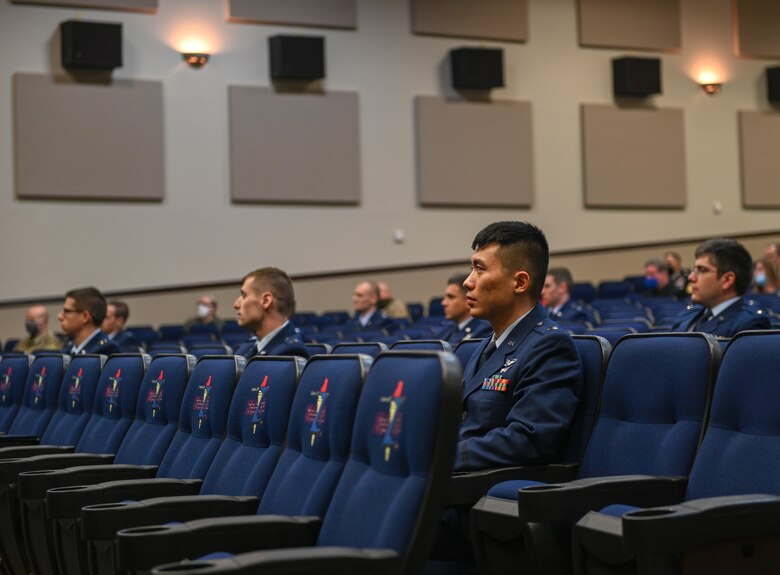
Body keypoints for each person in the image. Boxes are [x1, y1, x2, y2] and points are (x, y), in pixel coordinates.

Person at [456, 221, 583, 471]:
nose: (468, 282)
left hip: (484, 489)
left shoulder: (550, 346)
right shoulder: (485, 346)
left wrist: (439, 458)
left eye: (479, 269)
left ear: (520, 283)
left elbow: (528, 440)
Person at [671, 238, 770, 337]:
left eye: (701, 270)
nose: (691, 277)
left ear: (727, 280)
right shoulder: (687, 316)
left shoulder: (749, 325)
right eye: (693, 270)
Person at [232, 268, 309, 360]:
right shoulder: (244, 350)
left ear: (266, 301)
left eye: (244, 295)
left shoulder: (290, 353)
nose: (236, 304)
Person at [59, 287, 122, 355]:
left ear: (85, 316)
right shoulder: (69, 347)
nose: (59, 317)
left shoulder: (106, 349)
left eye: (67, 311)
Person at [437, 273, 491, 344]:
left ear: (468, 300)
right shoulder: (446, 330)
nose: (444, 303)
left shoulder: (483, 330)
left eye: (451, 297)